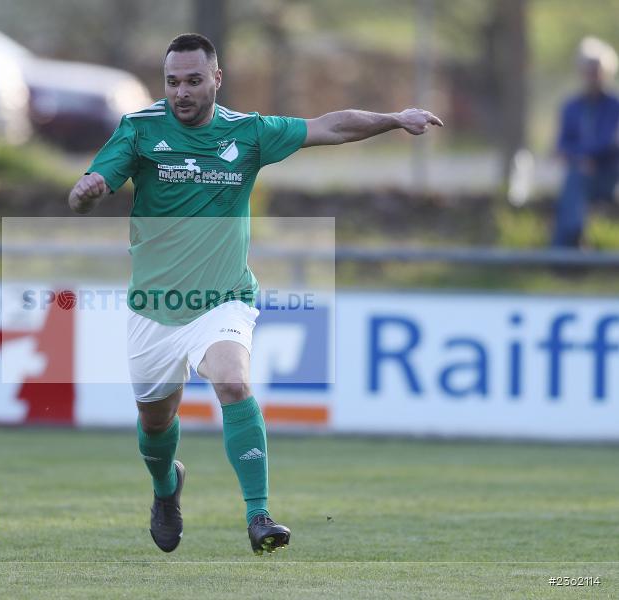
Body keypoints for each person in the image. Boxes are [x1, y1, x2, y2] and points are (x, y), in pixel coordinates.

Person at [67, 33, 442, 555]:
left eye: (193, 81)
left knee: (233, 382)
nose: (182, 92)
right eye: (173, 82)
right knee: (155, 422)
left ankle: (259, 515)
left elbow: (328, 126)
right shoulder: (139, 129)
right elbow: (90, 187)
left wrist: (393, 118)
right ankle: (165, 489)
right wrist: (86, 194)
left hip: (225, 300)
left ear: (216, 79)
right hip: (155, 309)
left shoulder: (248, 133)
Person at [552, 36, 619, 248]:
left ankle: (566, 249)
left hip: (610, 173)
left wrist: (587, 158)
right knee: (576, 179)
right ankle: (568, 249)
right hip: (582, 174)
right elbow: (562, 145)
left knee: (577, 179)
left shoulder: (614, 105)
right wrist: (582, 159)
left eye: (597, 70)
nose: (593, 75)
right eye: (589, 70)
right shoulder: (571, 107)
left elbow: (610, 141)